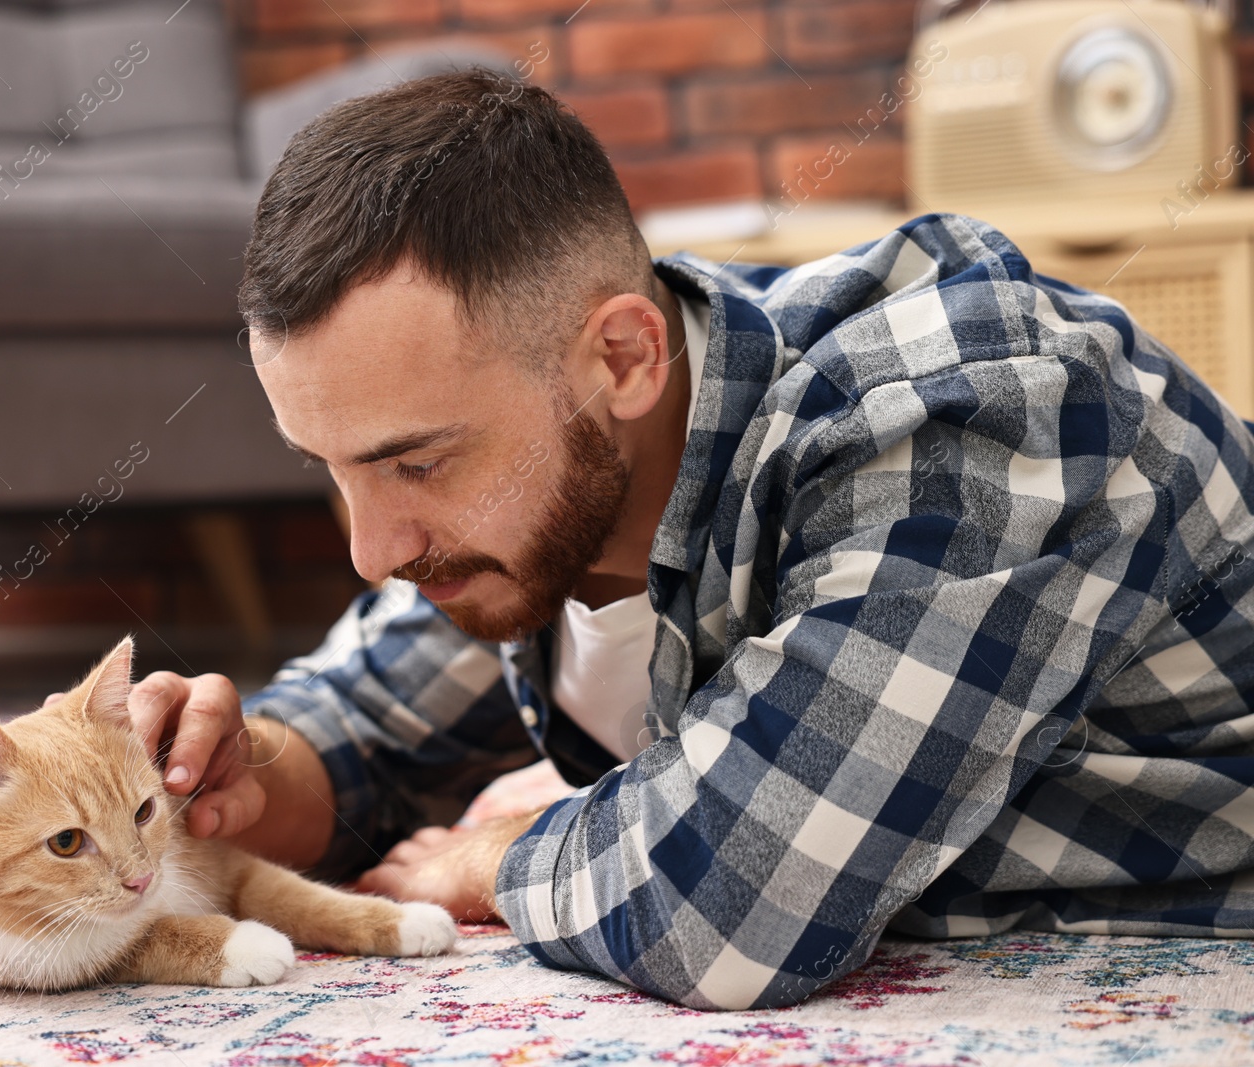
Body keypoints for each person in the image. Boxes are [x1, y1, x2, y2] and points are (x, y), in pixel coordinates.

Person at [110, 69, 1254, 1010]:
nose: (370, 547)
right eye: (333, 468)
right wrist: (230, 771)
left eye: (414, 461)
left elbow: (734, 905)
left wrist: (499, 856)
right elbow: (358, 729)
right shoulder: (548, 483)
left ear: (622, 357)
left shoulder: (964, 410)